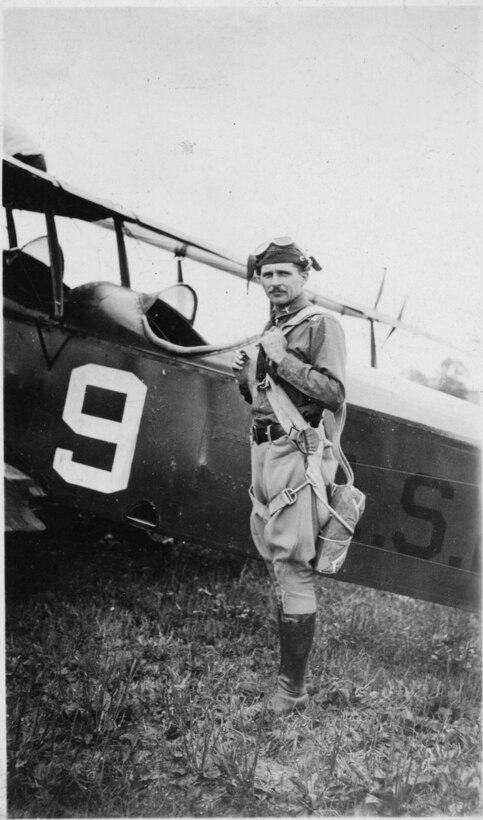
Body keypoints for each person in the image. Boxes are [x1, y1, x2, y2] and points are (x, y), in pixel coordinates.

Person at [232, 237, 346, 716]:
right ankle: (288, 689)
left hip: (296, 454)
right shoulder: (274, 326)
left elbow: (334, 393)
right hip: (267, 448)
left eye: (284, 274)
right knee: (279, 562)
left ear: (303, 277)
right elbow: (262, 398)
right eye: (267, 275)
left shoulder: (321, 324)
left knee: (294, 568)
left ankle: (290, 695)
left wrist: (279, 358)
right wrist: (247, 375)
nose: (275, 282)